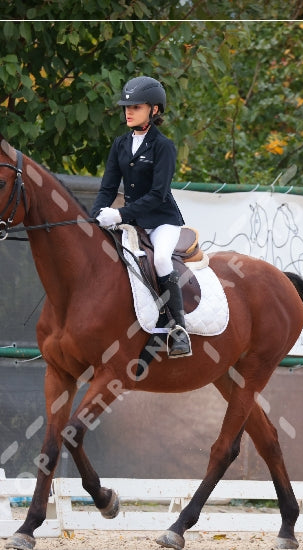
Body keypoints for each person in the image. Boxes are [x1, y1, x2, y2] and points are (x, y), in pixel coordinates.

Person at [91, 75, 191, 358]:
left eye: (136, 106)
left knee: (160, 259)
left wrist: (119, 213)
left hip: (162, 220)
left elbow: (158, 194)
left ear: (154, 110)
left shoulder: (163, 146)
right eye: (126, 106)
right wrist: (94, 217)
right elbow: (108, 187)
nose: (128, 111)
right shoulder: (120, 144)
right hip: (132, 223)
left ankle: (178, 330)